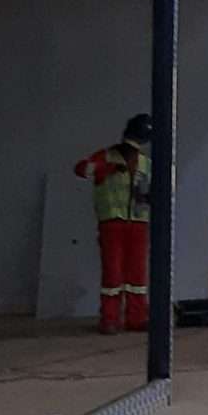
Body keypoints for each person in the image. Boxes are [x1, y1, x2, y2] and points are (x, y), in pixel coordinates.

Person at [74, 115, 152, 334]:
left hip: (138, 222)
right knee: (113, 273)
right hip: (112, 222)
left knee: (137, 276)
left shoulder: (146, 163)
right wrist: (106, 167)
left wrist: (149, 197)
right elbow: (81, 169)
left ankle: (136, 318)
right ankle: (110, 319)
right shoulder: (106, 156)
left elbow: (160, 188)